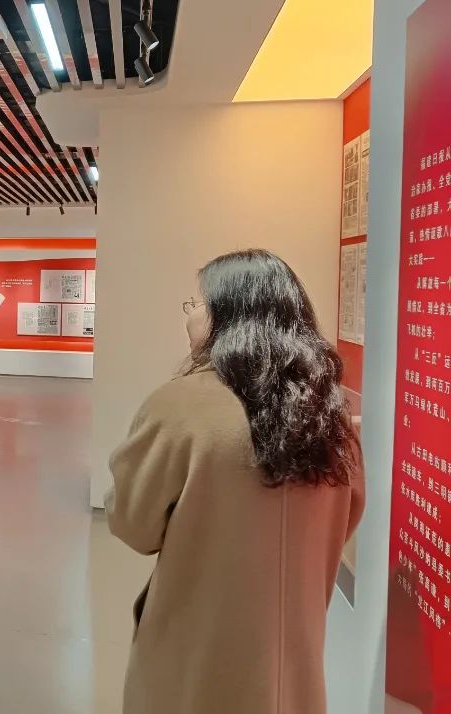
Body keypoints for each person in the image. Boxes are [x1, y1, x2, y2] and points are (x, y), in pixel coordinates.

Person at [104, 250, 366, 714]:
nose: (190, 315)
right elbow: (347, 519)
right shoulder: (331, 416)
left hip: (197, 660)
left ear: (225, 316)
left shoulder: (180, 405)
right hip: (294, 667)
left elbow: (133, 524)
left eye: (197, 304)